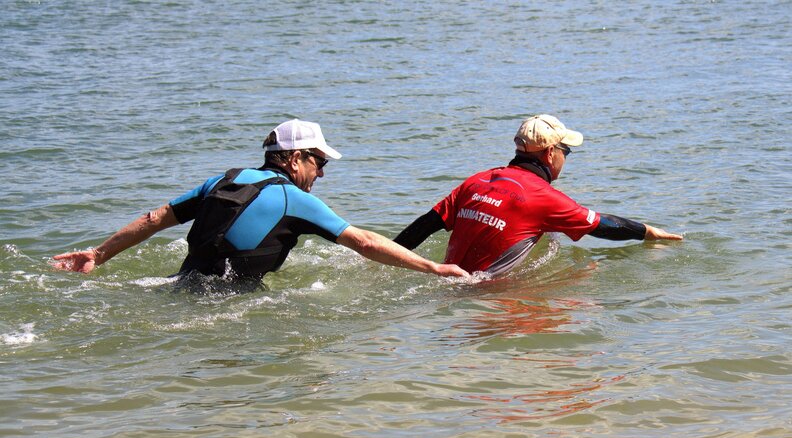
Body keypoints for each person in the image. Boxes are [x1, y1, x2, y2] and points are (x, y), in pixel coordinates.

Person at [53, 119, 469, 281]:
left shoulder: (223, 179)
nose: (321, 172)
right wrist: (434, 266)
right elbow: (364, 242)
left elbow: (156, 217)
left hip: (179, 286)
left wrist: (99, 253)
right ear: (294, 158)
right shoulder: (293, 200)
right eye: (319, 162)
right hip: (228, 304)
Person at [394, 114, 683, 276]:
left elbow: (423, 226)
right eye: (566, 151)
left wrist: (382, 256)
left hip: (449, 281)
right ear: (550, 153)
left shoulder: (477, 181)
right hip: (488, 294)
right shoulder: (545, 198)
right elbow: (602, 226)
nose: (565, 159)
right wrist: (648, 232)